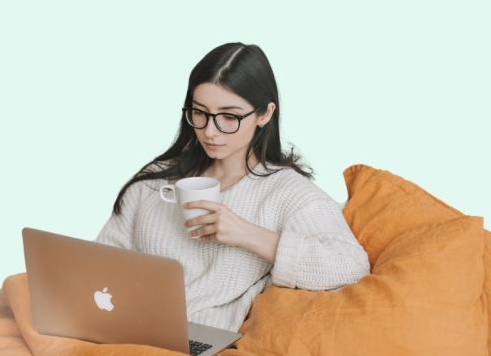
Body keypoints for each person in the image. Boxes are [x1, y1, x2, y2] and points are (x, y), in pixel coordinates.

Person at [95, 42, 370, 332]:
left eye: (229, 116)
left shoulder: (286, 192)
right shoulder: (153, 181)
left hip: (198, 343)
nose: (210, 131)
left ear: (264, 114)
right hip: (125, 327)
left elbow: (350, 265)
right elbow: (98, 262)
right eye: (200, 112)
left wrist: (247, 235)